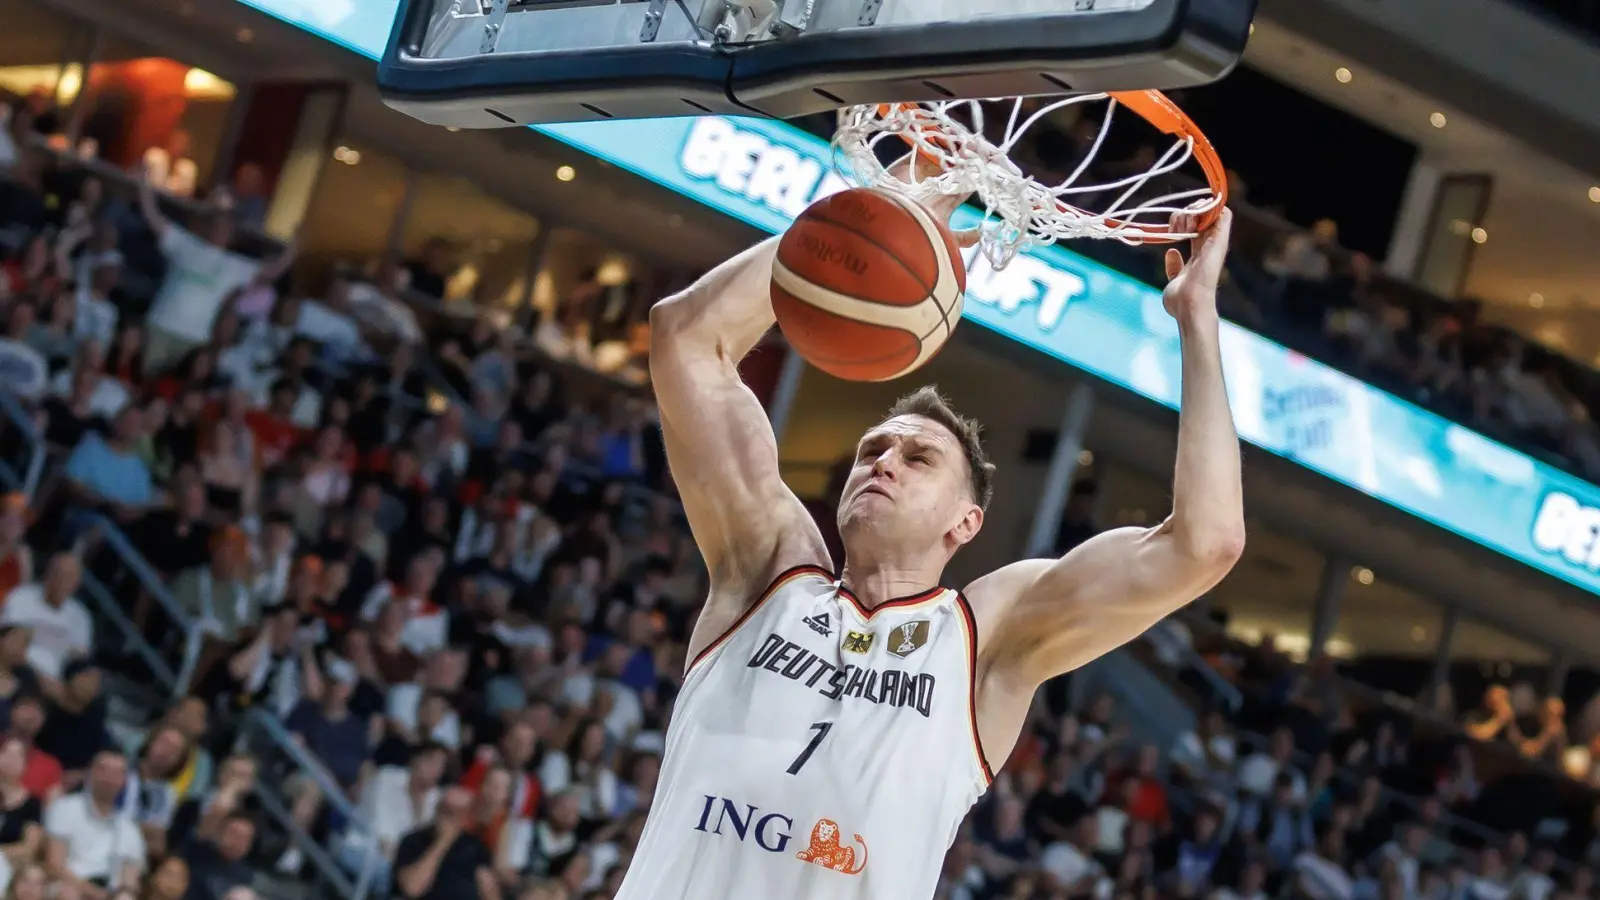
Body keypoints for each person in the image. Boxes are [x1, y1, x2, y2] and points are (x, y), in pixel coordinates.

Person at [612, 187, 1244, 900]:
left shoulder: (985, 637)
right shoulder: (769, 570)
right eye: (872, 450)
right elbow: (685, 340)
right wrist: (877, 216)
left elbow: (1205, 542)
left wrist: (1197, 319)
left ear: (965, 522)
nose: (883, 462)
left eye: (918, 460)